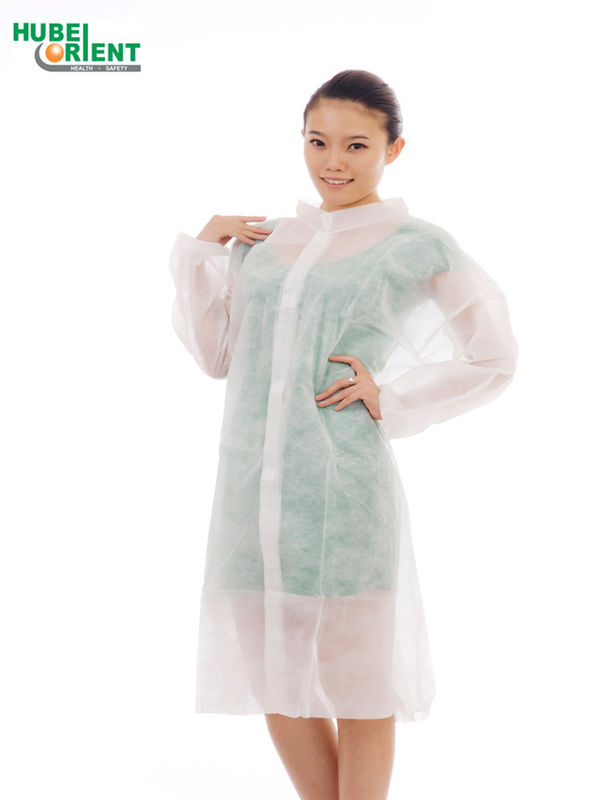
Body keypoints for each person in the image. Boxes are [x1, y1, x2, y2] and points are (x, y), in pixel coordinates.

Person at [168, 69, 519, 800]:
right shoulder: (265, 243)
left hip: (344, 497)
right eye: (317, 141)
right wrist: (203, 253)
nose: (333, 161)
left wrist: (390, 397)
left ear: (394, 149)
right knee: (275, 681)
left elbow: (494, 356)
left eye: (357, 145)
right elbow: (218, 358)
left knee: (360, 689)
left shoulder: (415, 244)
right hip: (248, 502)